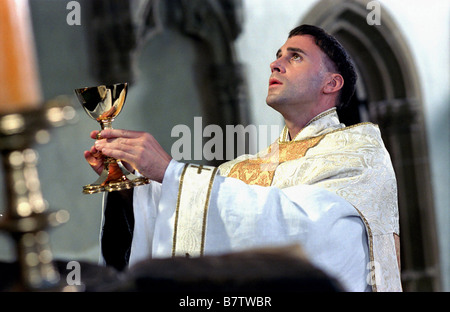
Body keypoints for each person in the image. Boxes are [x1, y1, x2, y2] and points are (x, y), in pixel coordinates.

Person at [84, 25, 401, 292]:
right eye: (278, 55)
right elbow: (198, 219)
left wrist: (170, 172)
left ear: (331, 84)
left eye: (295, 56)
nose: (275, 64)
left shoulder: (360, 152)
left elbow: (309, 232)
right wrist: (127, 186)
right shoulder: (246, 166)